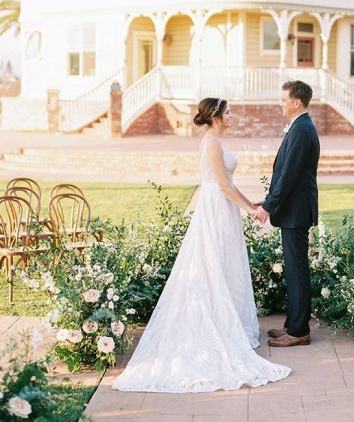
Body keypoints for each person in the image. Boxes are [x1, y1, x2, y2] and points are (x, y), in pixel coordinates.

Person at [112, 97, 290, 393]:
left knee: (226, 262)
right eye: (229, 112)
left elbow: (228, 183)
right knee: (213, 261)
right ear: (217, 116)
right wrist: (249, 210)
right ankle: (215, 324)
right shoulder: (211, 143)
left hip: (224, 206)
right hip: (216, 207)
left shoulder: (216, 141)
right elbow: (222, 185)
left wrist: (251, 203)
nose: (233, 115)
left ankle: (229, 319)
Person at [254, 80, 320, 348]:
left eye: (283, 99)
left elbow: (289, 176)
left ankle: (299, 330)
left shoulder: (302, 129)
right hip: (293, 210)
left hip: (296, 212)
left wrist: (269, 207)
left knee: (297, 270)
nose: (280, 104)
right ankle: (293, 325)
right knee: (294, 269)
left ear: (296, 102)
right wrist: (268, 200)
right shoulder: (299, 127)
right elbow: (285, 174)